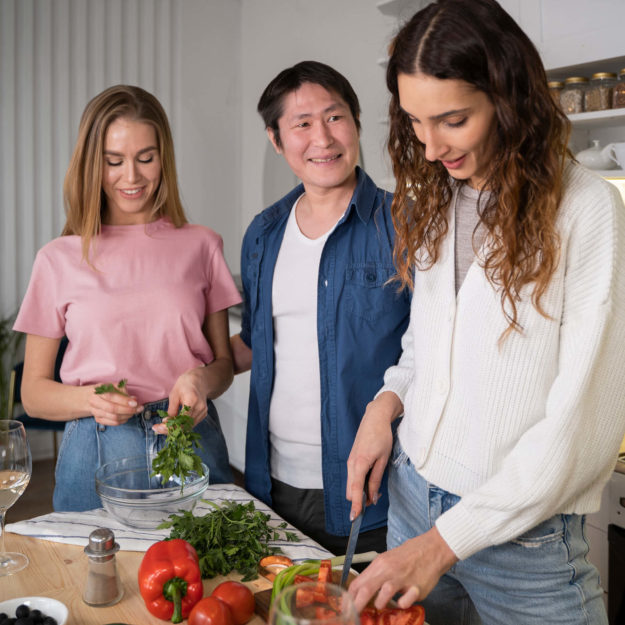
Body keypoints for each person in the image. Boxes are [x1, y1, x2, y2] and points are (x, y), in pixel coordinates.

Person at [345, 1, 625, 623]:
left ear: (508, 97)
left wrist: (444, 544)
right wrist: (385, 405)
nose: (430, 144)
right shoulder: (438, 195)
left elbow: (579, 430)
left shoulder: (587, 211)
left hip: (523, 541)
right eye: (415, 121)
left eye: (452, 119)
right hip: (414, 497)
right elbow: (428, 342)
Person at [14, 84, 242, 511]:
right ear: (91, 164)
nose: (132, 177)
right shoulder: (57, 258)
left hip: (191, 442)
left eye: (146, 158)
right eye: (113, 161)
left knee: (212, 571)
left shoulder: (202, 245)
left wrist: (200, 381)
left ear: (164, 158)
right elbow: (34, 393)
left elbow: (223, 367)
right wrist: (90, 400)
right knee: (97, 576)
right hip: (94, 447)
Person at [230, 61, 410, 556]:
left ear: (354, 122)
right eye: (302, 124)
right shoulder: (263, 234)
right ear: (276, 139)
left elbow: (433, 352)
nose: (322, 139)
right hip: (274, 485)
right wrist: (194, 369)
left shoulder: (405, 225)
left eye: (334, 118)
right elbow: (255, 343)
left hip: (375, 489)